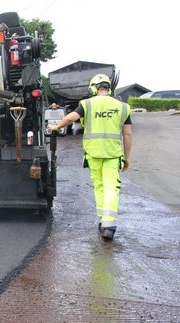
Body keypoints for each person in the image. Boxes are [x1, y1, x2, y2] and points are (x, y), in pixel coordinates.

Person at [48, 74, 132, 241]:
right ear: (109, 88)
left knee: (99, 187)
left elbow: (71, 118)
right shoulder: (123, 107)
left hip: (93, 154)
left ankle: (103, 221)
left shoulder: (87, 104)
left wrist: (56, 126)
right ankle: (109, 225)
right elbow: (128, 134)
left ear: (93, 88)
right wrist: (127, 158)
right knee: (111, 188)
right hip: (113, 155)